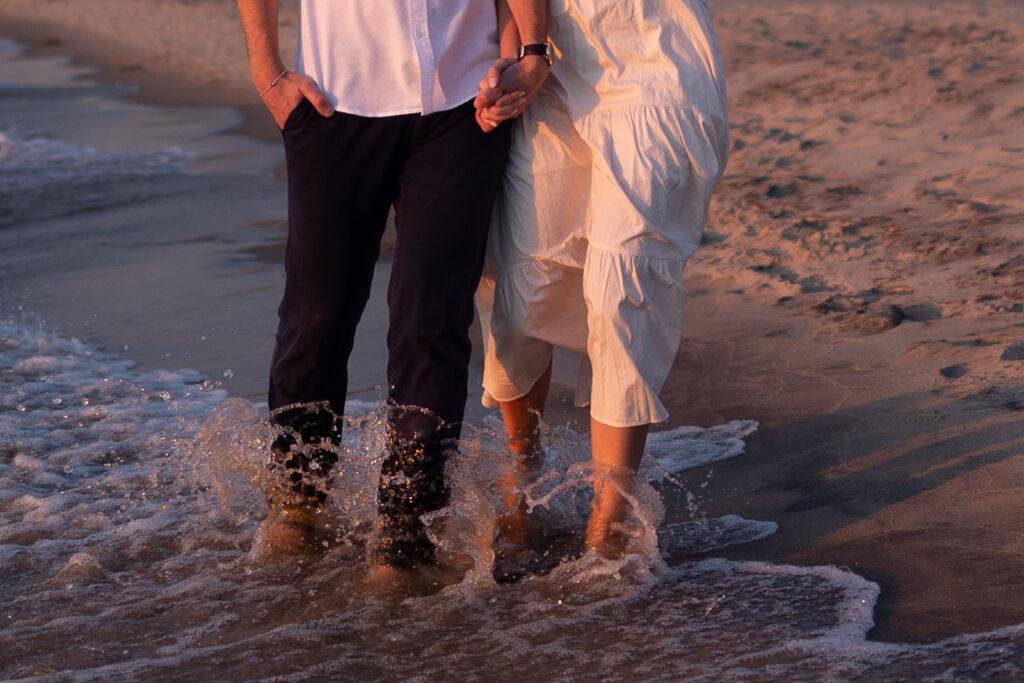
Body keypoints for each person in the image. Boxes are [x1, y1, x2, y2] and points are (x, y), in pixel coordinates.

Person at [235, 0, 549, 575]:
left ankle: (408, 529)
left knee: (431, 320)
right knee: (317, 314)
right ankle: (298, 502)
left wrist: (530, 50)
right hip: (337, 100)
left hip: (463, 102)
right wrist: (267, 69)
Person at [475, 0, 729, 558]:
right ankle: (523, 468)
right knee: (522, 282)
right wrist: (514, 55)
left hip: (654, 66)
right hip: (546, 64)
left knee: (624, 284)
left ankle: (609, 520)